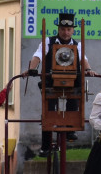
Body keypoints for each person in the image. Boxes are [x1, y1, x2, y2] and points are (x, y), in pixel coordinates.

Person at [27, 12, 96, 154]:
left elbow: (83, 59)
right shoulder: (48, 41)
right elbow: (38, 55)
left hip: (71, 81)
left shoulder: (78, 44)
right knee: (49, 111)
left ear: (73, 30)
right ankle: (46, 146)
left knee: (75, 98)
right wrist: (32, 69)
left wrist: (88, 69)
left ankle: (70, 130)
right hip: (51, 81)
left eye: (69, 30)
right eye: (63, 29)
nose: (66, 33)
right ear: (58, 29)